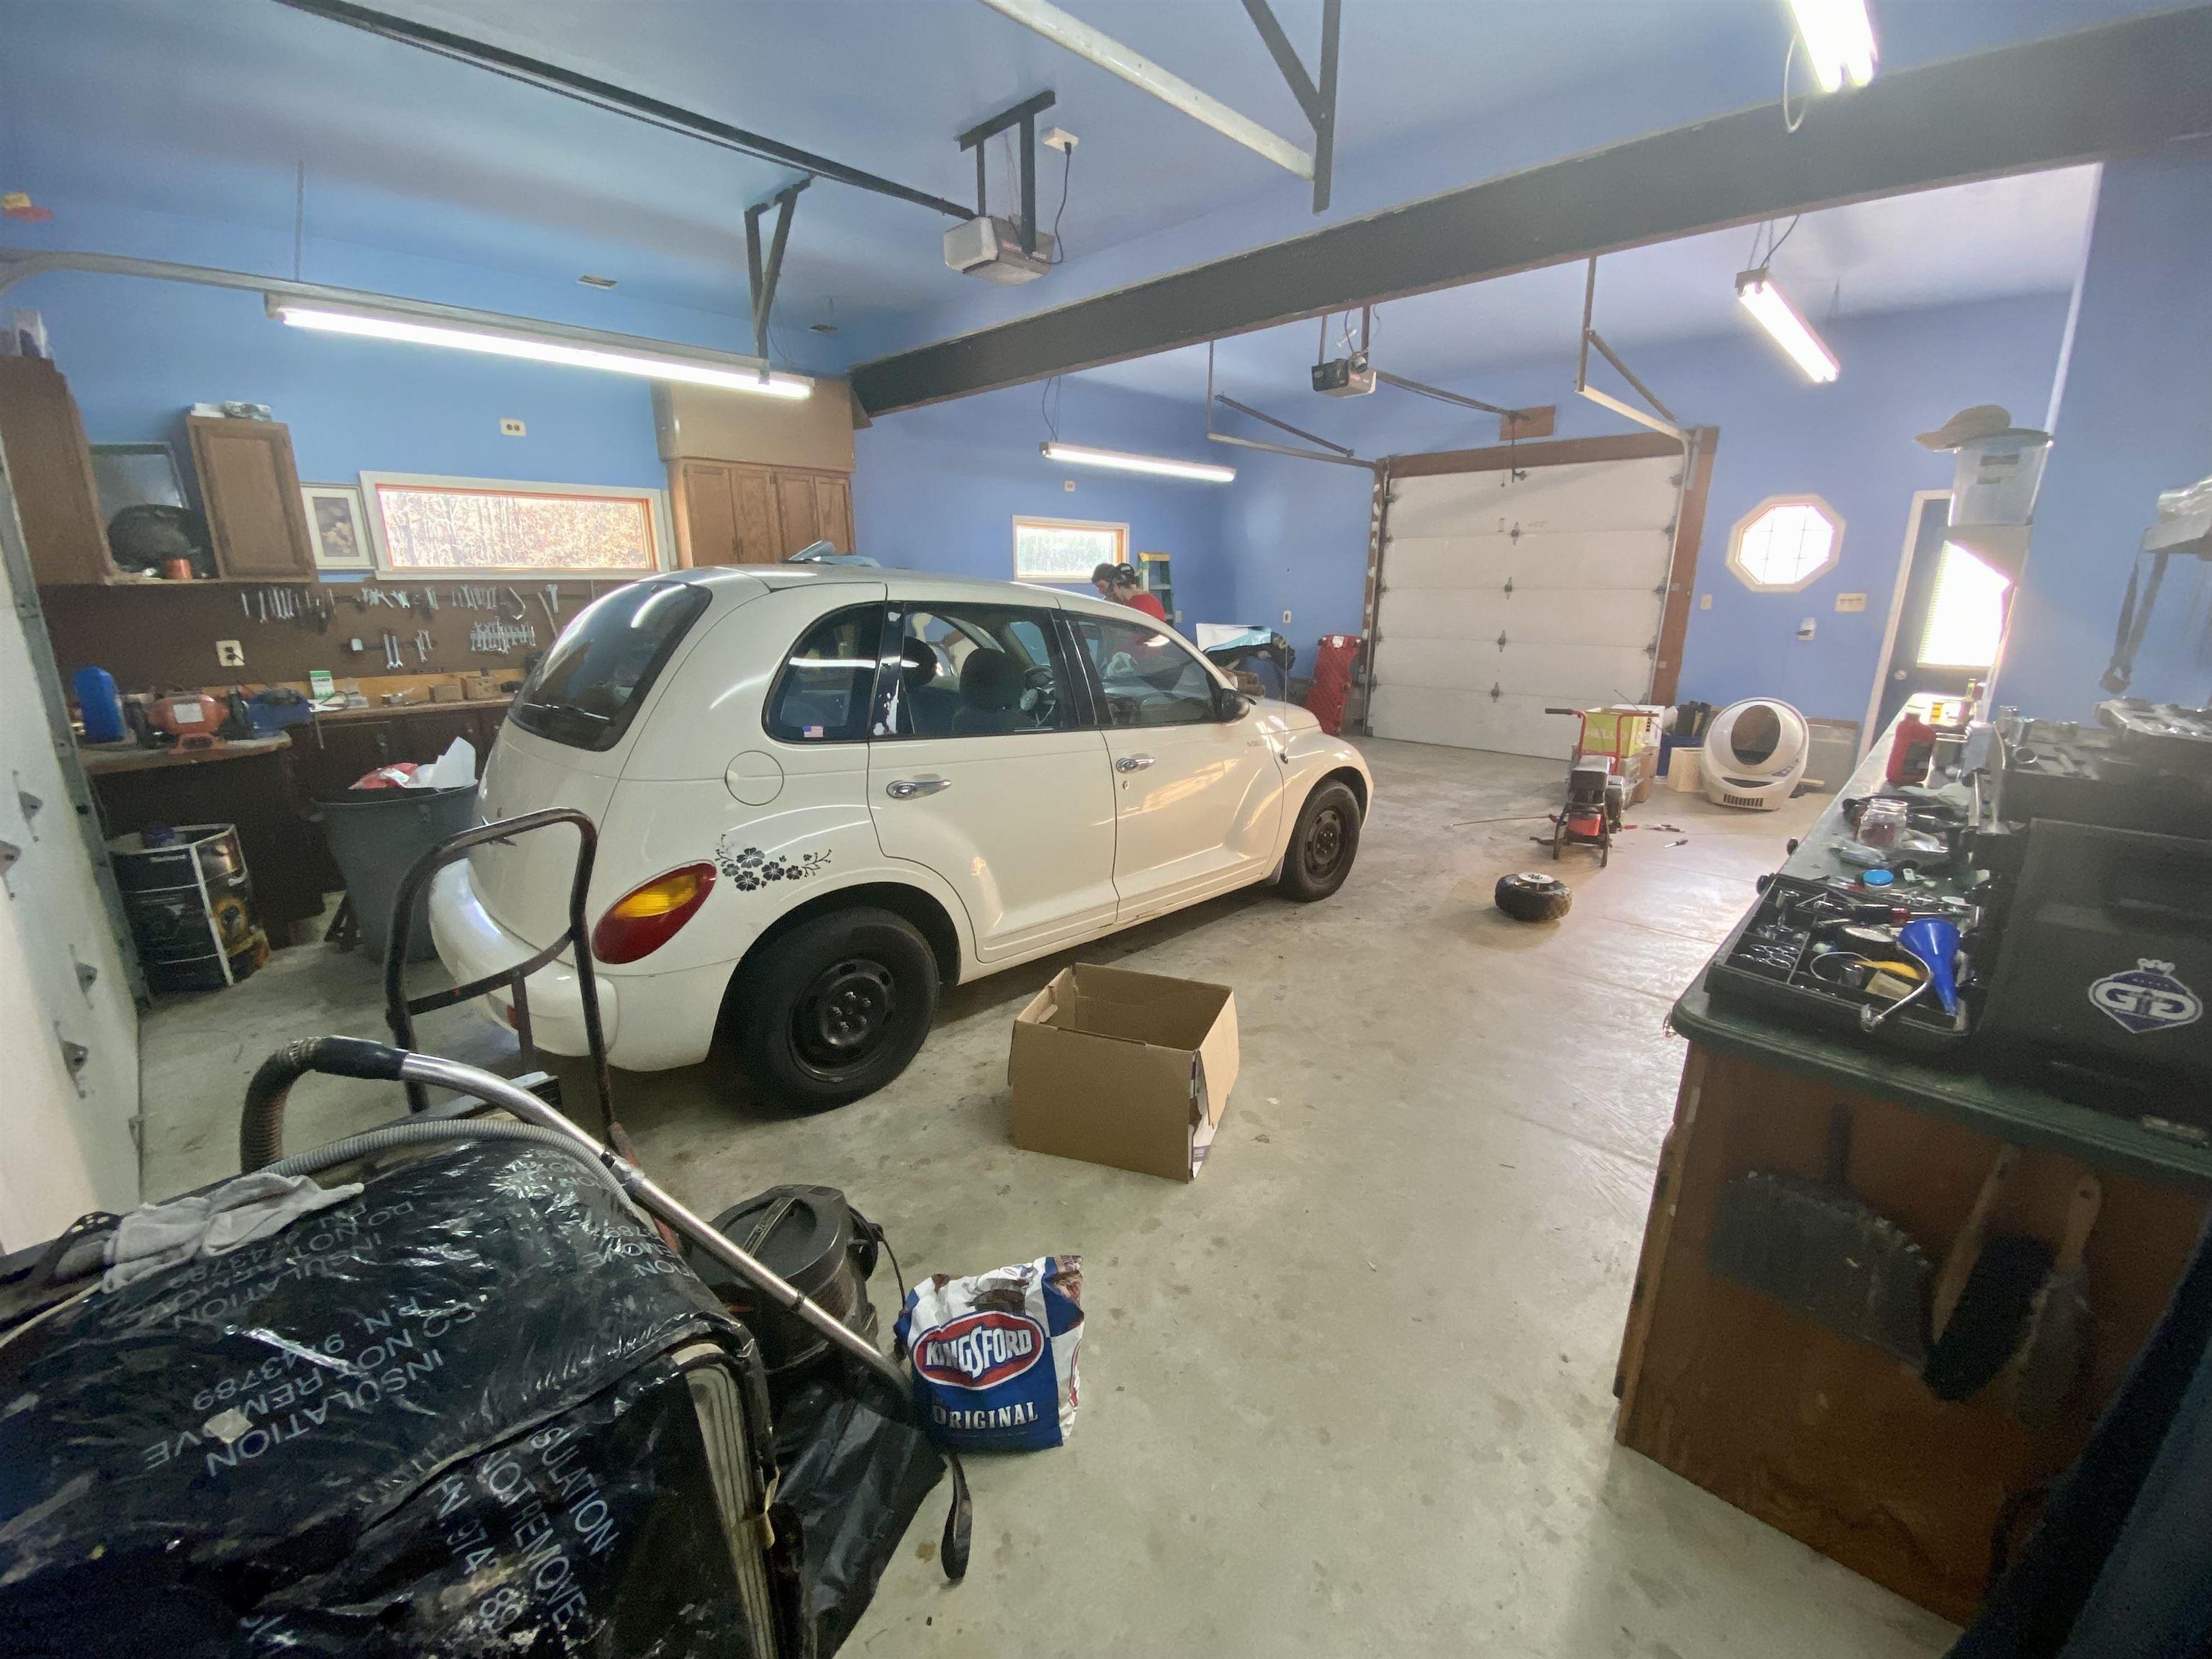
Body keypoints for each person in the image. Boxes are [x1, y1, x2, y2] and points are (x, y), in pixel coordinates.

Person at [1090, 561, 1166, 622]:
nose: (1100, 592)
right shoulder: (1118, 601)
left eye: (1102, 586)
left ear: (1114, 584)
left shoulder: (1139, 603)